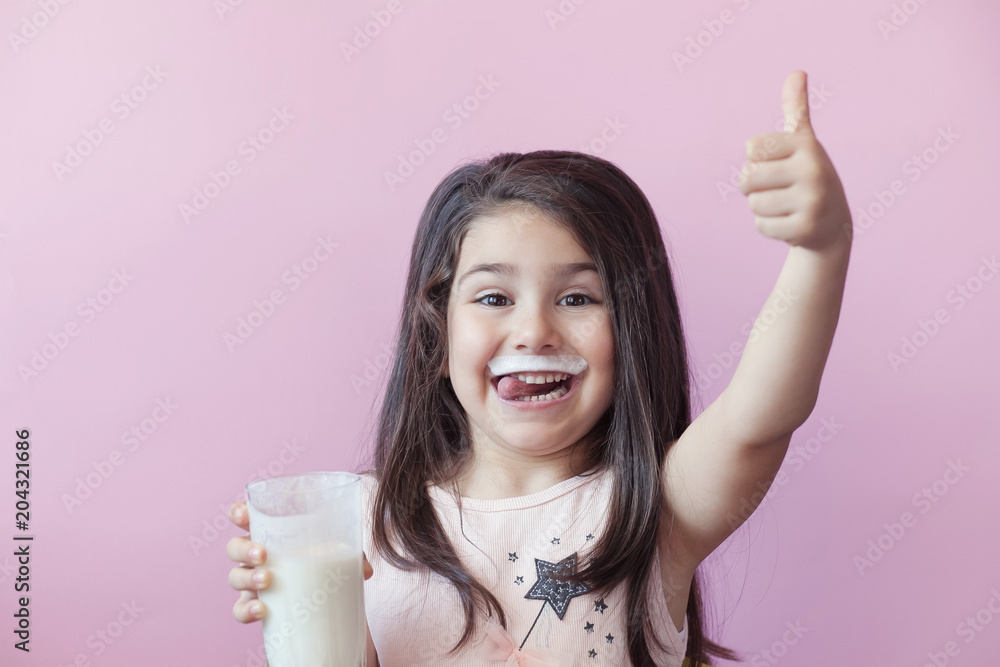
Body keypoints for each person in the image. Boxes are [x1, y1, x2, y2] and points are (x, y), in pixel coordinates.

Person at [225, 70, 852, 666]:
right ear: (436, 338)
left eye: (577, 298)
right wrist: (310, 615)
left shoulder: (655, 512)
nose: (533, 330)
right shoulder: (365, 522)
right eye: (494, 298)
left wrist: (821, 250)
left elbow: (761, 416)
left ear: (632, 334)